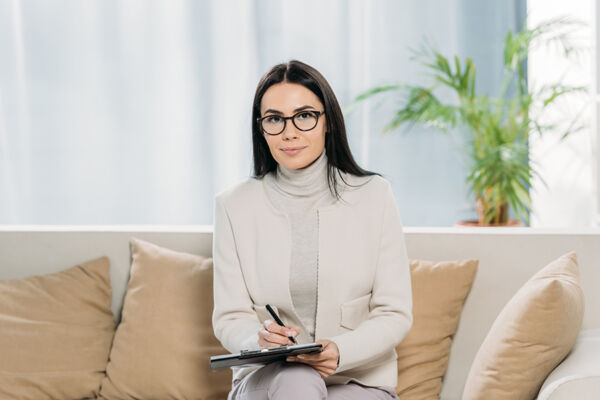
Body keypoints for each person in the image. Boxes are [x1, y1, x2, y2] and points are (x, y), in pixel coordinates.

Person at [212, 59, 413, 400]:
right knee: (298, 381)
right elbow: (230, 317)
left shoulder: (374, 196)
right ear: (261, 128)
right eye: (275, 119)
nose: (289, 132)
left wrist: (341, 351)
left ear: (327, 122)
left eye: (304, 116)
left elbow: (394, 312)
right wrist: (257, 339)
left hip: (357, 379)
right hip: (270, 380)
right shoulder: (233, 206)